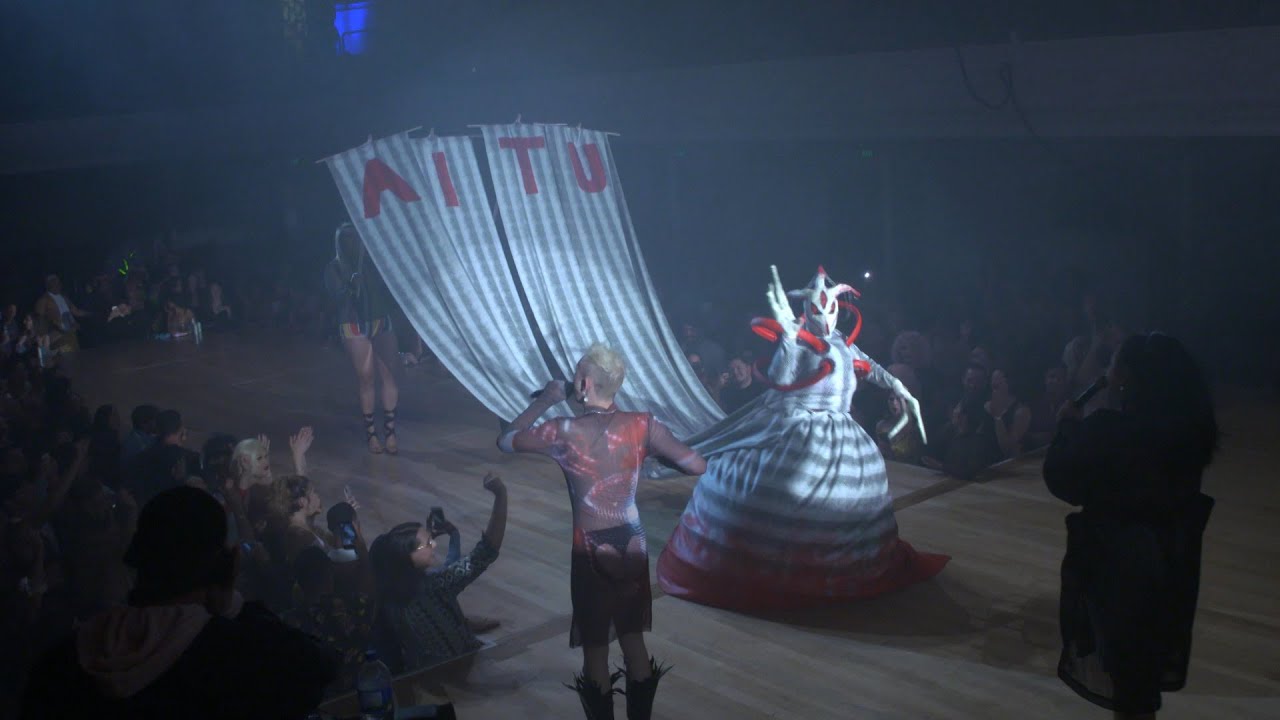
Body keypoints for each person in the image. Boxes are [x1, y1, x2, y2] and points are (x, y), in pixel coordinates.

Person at [657, 266, 948, 613]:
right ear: (806, 308)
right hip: (792, 427)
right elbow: (781, 380)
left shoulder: (841, 341)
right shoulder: (796, 339)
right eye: (816, 310)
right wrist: (788, 339)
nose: (824, 317)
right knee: (789, 487)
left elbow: (868, 365)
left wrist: (898, 386)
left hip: (841, 436)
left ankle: (832, 566)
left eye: (830, 309)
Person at [499, 344, 706, 720]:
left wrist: (547, 399)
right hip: (632, 543)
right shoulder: (642, 425)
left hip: (590, 548)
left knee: (595, 646)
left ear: (583, 384)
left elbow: (506, 439)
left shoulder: (563, 431)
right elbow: (696, 466)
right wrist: (651, 453)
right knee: (632, 638)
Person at [22, 486, 339, 719]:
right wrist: (234, 607)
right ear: (225, 567)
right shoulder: (245, 652)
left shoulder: (61, 664)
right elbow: (320, 665)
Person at [1043, 332, 1217, 719]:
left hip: (1117, 562)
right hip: (1169, 558)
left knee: (1126, 670)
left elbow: (1061, 478)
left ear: (1126, 377)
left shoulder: (1109, 429)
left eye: (1112, 363)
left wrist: (1068, 428)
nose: (1106, 370)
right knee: (1142, 671)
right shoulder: (1188, 432)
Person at [369, 473, 507, 673]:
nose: (433, 544)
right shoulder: (434, 587)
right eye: (427, 543)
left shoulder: (385, 599)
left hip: (424, 676)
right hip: (461, 669)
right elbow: (486, 552)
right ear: (407, 557)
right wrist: (501, 495)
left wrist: (453, 535)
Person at [324, 223, 402, 454]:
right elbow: (336, 298)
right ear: (339, 242)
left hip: (380, 319)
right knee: (366, 379)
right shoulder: (334, 268)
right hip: (354, 325)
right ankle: (371, 434)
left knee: (389, 375)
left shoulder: (373, 262)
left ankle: (390, 432)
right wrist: (350, 286)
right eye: (347, 239)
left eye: (355, 238)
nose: (352, 243)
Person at [33, 274, 89, 354]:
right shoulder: (43, 300)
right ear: (48, 285)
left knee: (76, 357)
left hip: (71, 334)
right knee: (65, 359)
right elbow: (39, 322)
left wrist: (92, 314)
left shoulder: (64, 297)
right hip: (58, 337)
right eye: (54, 282)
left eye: (58, 282)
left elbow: (76, 311)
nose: (58, 284)